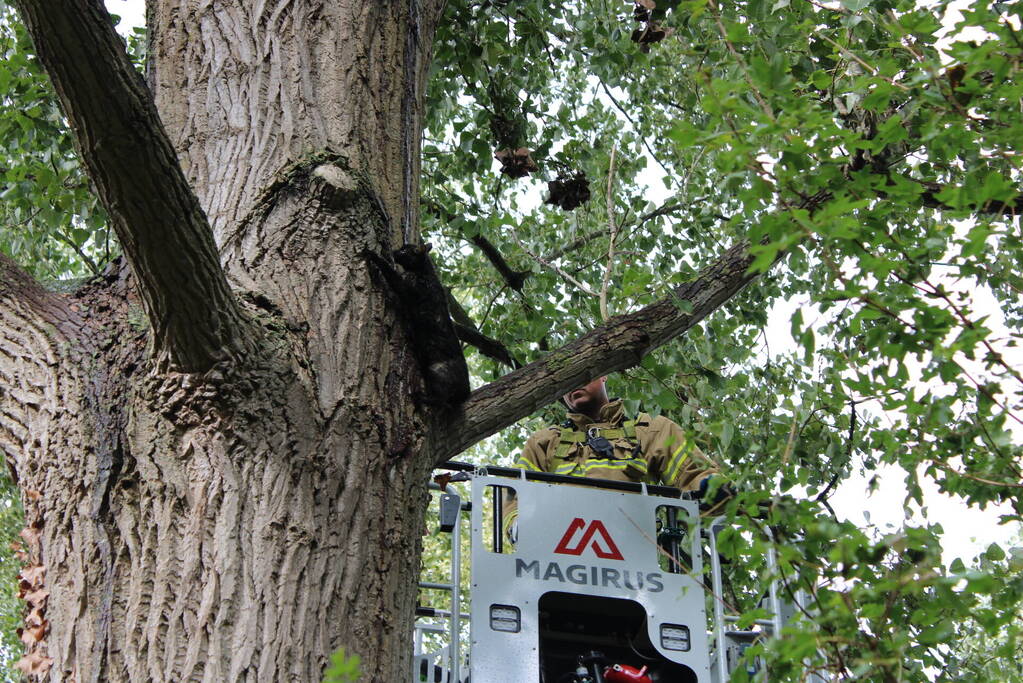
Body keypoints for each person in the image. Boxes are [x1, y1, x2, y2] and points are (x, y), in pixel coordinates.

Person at [503, 376, 725, 540]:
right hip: (560, 564)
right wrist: (517, 527)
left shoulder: (651, 431)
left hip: (632, 562)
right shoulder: (545, 442)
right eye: (565, 380)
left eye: (581, 373)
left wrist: (711, 487)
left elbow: (691, 473)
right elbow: (516, 497)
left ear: (604, 374)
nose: (573, 384)